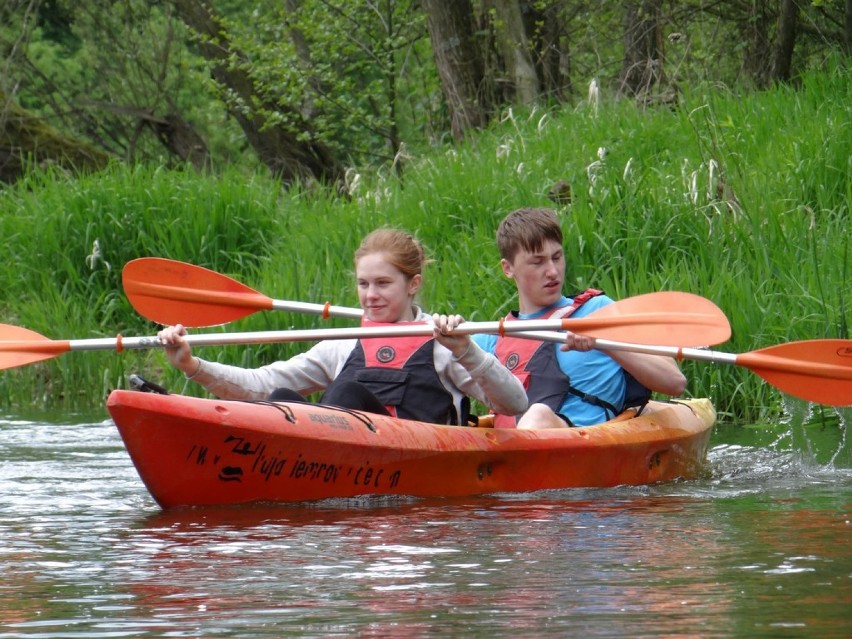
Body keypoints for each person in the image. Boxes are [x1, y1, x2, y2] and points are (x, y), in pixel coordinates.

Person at [157, 228, 527, 425]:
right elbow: (261, 384)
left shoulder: (444, 340)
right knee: (280, 401)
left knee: (347, 391)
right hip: (345, 460)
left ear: (413, 285)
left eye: (383, 284)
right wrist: (192, 366)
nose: (370, 296)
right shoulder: (344, 344)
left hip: (416, 460)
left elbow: (513, 404)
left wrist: (466, 350)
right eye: (364, 284)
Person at [472, 207, 686, 429]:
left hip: (582, 443)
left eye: (557, 257)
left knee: (539, 415)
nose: (553, 271)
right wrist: (445, 333)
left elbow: (674, 382)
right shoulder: (489, 340)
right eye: (538, 262)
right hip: (513, 449)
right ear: (508, 268)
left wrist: (607, 345)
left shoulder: (599, 313)